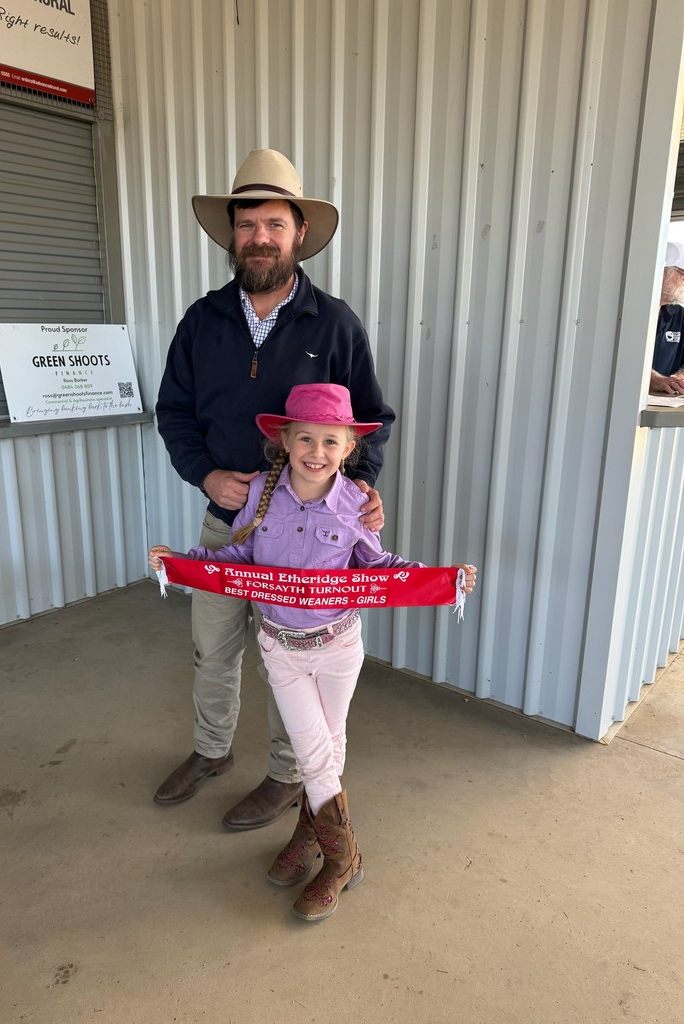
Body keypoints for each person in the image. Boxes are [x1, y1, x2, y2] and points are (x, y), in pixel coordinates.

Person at [149, 383, 476, 921]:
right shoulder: (259, 496)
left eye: (330, 441)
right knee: (315, 752)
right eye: (305, 439)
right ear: (285, 441)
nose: (317, 452)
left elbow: (377, 566)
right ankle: (345, 859)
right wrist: (181, 562)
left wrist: (440, 580)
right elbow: (238, 554)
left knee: (327, 746)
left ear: (348, 447)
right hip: (282, 649)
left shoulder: (355, 507)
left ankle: (313, 842)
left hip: (338, 648)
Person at [154, 149, 396, 829]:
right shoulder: (202, 323)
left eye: (273, 223)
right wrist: (204, 473)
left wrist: (358, 490)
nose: (259, 236)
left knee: (299, 656)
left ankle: (290, 775)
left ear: (298, 234)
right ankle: (210, 751)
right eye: (247, 224)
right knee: (213, 648)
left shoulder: (335, 324)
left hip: (310, 536)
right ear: (233, 235)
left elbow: (370, 422)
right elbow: (174, 414)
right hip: (227, 527)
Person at [650, 241, 684, 395]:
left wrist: (679, 379)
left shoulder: (680, 315)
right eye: (682, 274)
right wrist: (652, 379)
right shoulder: (626, 311)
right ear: (662, 272)